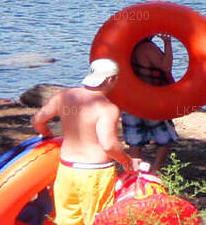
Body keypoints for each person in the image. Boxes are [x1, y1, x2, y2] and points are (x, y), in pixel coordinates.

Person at [31, 59, 137, 225]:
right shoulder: (107, 108)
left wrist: (47, 133)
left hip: (66, 168)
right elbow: (108, 145)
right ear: (110, 79)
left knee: (66, 220)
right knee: (97, 220)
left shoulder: (64, 96)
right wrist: (127, 162)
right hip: (95, 173)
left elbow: (37, 120)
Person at [121, 35, 179, 173]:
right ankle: (155, 171)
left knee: (135, 140)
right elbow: (166, 67)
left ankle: (132, 173)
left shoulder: (125, 47)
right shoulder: (147, 48)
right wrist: (167, 43)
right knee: (165, 138)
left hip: (130, 100)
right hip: (150, 100)